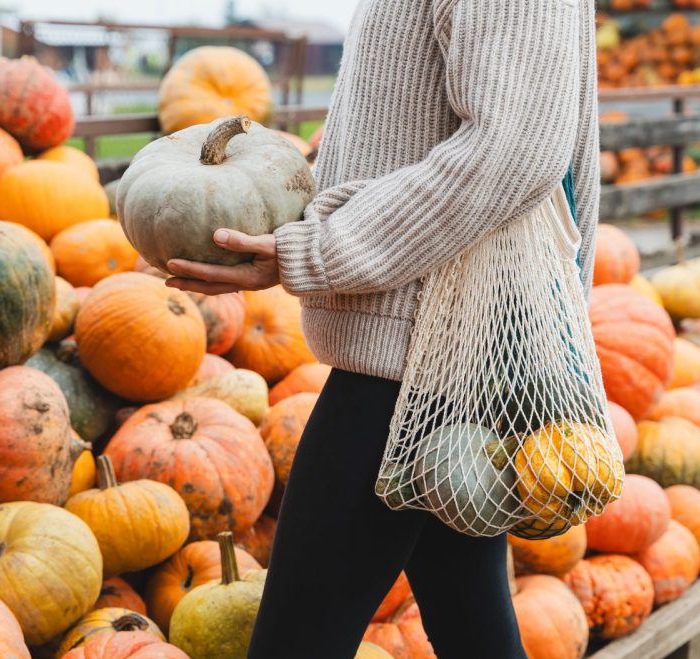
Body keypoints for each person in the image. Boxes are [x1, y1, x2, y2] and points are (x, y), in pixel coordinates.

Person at [164, 0, 599, 657]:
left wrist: (319, 248)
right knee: (471, 620)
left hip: (418, 352)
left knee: (295, 642)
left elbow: (516, 147)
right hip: (446, 340)